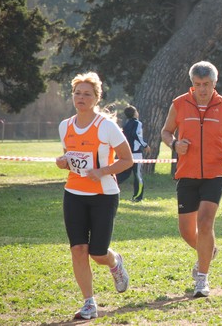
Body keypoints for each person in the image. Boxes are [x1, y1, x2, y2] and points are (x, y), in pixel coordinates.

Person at [161, 61, 222, 298]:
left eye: (206, 84)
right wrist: (174, 144)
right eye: (198, 84)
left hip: (214, 173)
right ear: (192, 84)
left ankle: (202, 278)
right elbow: (166, 132)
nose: (202, 89)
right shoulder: (179, 104)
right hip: (187, 174)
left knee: (206, 222)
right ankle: (209, 251)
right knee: (187, 232)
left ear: (214, 83)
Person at [55, 72, 133, 320]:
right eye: (77, 93)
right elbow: (70, 158)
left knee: (98, 253)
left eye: (87, 94)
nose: (81, 98)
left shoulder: (106, 127)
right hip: (73, 194)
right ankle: (89, 302)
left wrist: (103, 171)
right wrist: (63, 162)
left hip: (104, 195)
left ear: (96, 98)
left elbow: (127, 160)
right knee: (78, 249)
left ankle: (114, 262)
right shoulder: (65, 126)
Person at [117, 105, 151, 202]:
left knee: (124, 174)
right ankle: (137, 197)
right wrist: (145, 145)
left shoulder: (126, 124)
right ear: (135, 113)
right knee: (138, 176)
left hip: (127, 154)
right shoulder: (138, 123)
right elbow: (136, 134)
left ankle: (109, 187)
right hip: (136, 154)